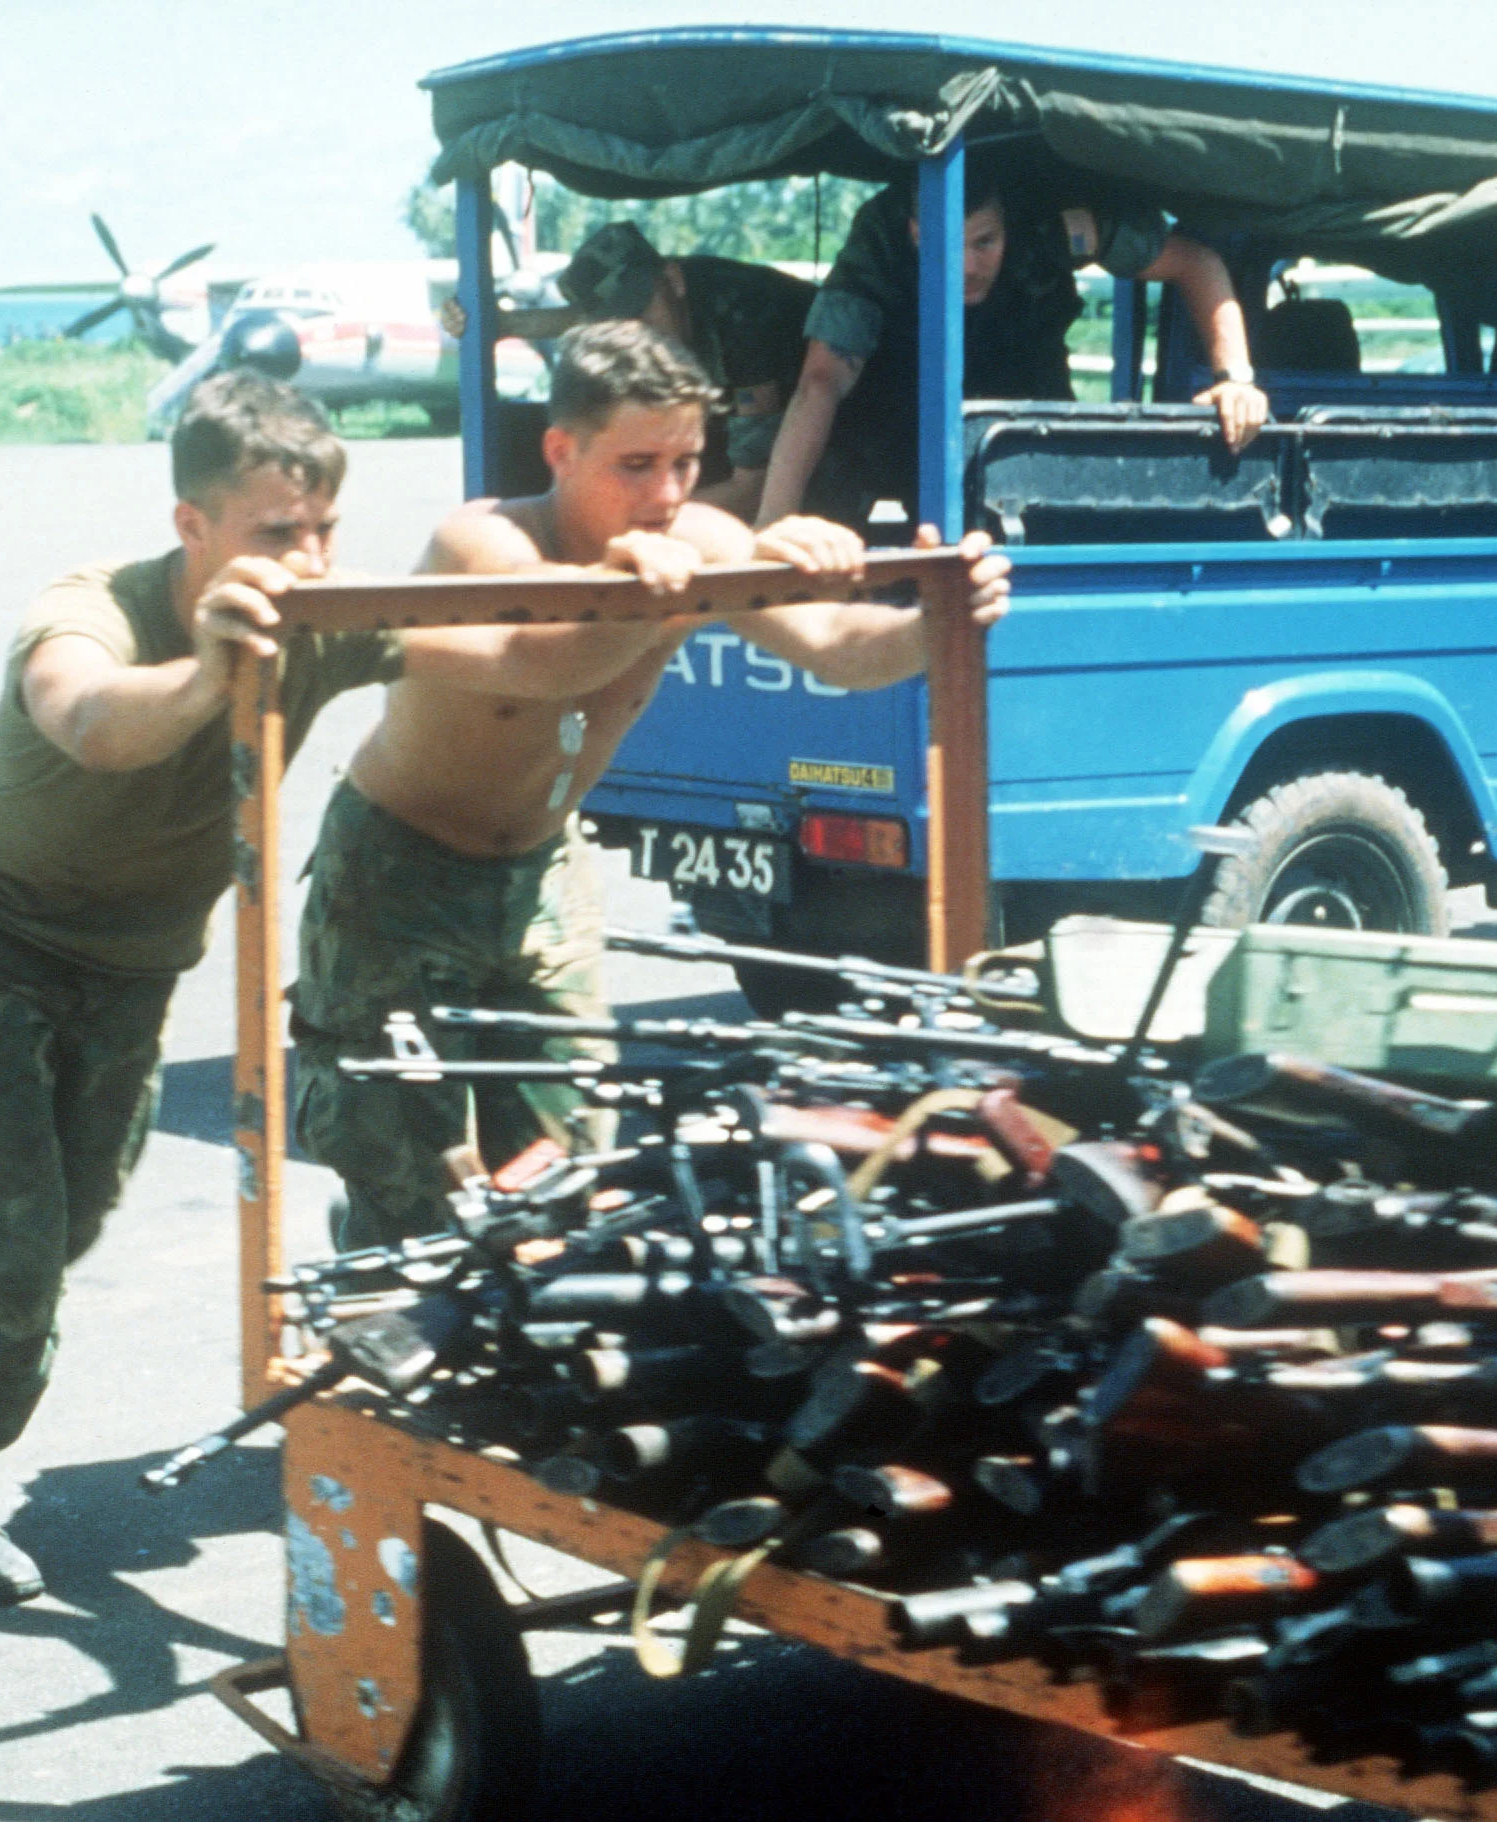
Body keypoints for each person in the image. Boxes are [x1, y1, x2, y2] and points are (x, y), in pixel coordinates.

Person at [0, 375, 407, 1602]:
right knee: (22, 1232)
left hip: (130, 960)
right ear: (191, 525)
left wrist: (672, 574)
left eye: (323, 534)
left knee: (68, 1216)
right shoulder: (87, 611)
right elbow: (89, 719)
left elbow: (491, 639)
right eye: (272, 536)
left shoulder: (321, 615)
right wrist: (209, 671)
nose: (305, 564)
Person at [291, 321, 1011, 1253]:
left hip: (542, 875)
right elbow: (546, 662)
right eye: (636, 464)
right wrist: (668, 590)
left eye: (686, 462)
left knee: (572, 1169)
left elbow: (839, 651)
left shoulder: (692, 543)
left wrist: (938, 622)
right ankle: (378, 1260)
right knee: (409, 1181)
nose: (667, 495)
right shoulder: (484, 544)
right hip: (399, 878)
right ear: (562, 450)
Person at [756, 165, 1271, 528]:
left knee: (1056, 522)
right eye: (948, 246)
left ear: (1009, 224)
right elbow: (820, 382)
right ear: (915, 234)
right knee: (837, 472)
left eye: (985, 242)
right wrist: (772, 526)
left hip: (1025, 385)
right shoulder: (879, 242)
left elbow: (1196, 263)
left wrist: (1235, 380)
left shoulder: (1054, 223)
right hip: (902, 400)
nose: (969, 268)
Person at [447, 221, 816, 522]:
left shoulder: (745, 319)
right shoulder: (661, 301)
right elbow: (567, 319)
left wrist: (628, 525)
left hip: (849, 416)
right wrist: (473, 319)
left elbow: (752, 490)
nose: (637, 330)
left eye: (641, 308)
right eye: (621, 320)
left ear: (674, 280)